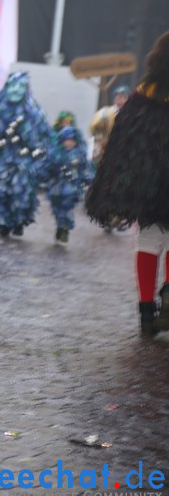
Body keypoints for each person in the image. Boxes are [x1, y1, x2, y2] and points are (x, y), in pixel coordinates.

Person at [86, 32, 169, 337]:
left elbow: (121, 143)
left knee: (148, 242)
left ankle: (146, 313)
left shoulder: (140, 97)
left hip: (148, 187)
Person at [0, 71, 53, 238]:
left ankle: (19, 221)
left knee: (22, 193)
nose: (15, 90)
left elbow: (43, 136)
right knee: (0, 191)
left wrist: (40, 156)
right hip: (1, 159)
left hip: (24, 160)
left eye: (20, 86)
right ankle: (2, 222)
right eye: (12, 86)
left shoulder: (34, 112)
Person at [43, 125, 93, 244]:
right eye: (67, 140)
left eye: (72, 140)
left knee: (67, 205)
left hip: (71, 185)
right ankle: (60, 226)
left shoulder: (80, 153)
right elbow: (47, 167)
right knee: (56, 208)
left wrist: (86, 180)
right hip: (56, 185)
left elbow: (86, 169)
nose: (69, 143)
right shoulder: (56, 152)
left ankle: (65, 228)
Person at [90, 85, 129, 164]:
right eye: (118, 96)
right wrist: (100, 140)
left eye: (124, 97)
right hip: (106, 149)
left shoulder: (131, 114)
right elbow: (96, 129)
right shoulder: (105, 112)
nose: (121, 99)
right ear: (114, 98)